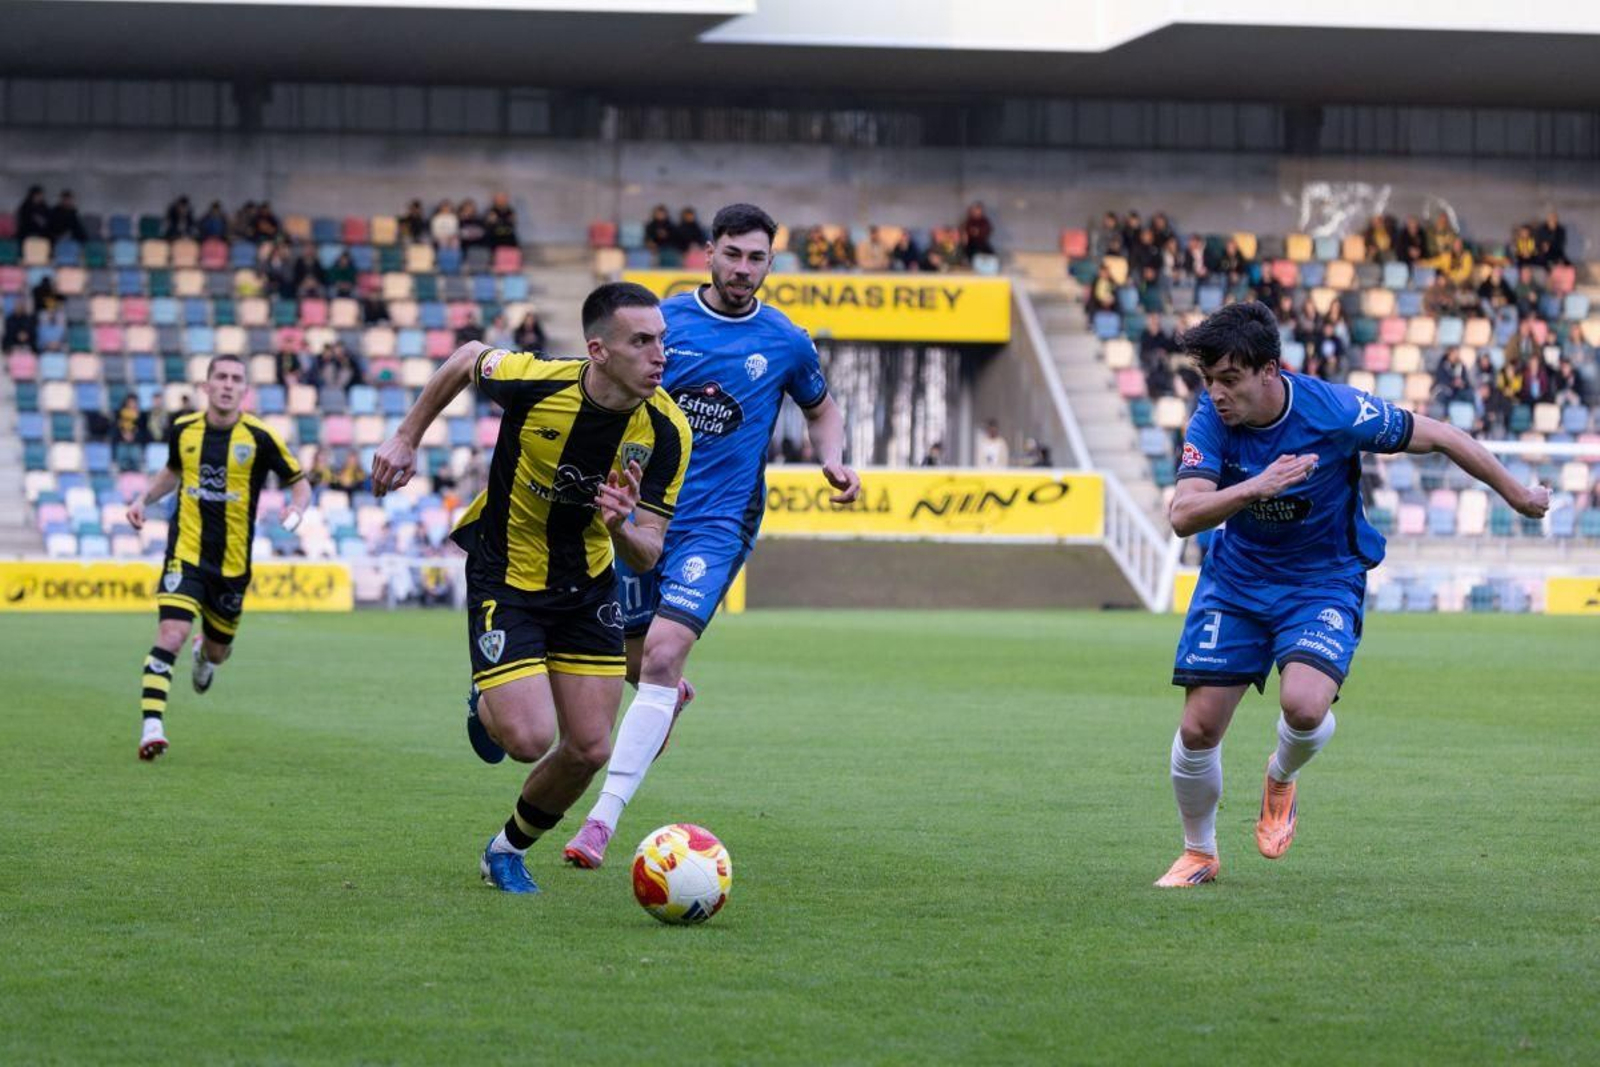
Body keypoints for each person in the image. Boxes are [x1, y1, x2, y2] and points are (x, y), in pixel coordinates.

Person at [1155, 301, 1549, 888]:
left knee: (1305, 706)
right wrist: (1257, 486)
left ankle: (1281, 775)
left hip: (1321, 580)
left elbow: (1440, 435)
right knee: (1198, 729)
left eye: (1229, 379)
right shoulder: (1211, 420)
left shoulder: (1336, 411)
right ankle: (1199, 853)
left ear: (1270, 370)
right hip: (1237, 582)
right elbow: (1183, 515)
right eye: (1209, 379)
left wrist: (1517, 495)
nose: (1216, 393)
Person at [559, 203, 860, 869]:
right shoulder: (662, 324)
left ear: (770, 263)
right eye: (732, 254)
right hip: (642, 513)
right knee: (625, 660)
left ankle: (601, 822)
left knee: (663, 656)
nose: (743, 268)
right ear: (709, 253)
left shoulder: (785, 341)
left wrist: (834, 459)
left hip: (718, 522)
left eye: (756, 257)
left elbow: (822, 408)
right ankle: (668, 697)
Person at [369, 282, 693, 894]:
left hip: (588, 586)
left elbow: (650, 550)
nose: (659, 356)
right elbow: (467, 357)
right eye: (641, 342)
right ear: (598, 350)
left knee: (590, 748)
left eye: (662, 341)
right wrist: (407, 436)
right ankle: (488, 697)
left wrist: (621, 529)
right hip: (507, 574)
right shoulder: (536, 380)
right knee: (528, 739)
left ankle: (506, 850)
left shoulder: (667, 429)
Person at [124, 355, 310, 761]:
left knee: (217, 652)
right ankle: (152, 727)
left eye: (235, 379)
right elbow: (173, 470)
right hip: (185, 553)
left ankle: (203, 656)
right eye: (220, 377)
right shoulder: (183, 430)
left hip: (232, 566)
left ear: (244, 390)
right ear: (206, 386)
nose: (227, 384)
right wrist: (142, 499)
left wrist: (296, 512)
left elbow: (300, 483)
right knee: (170, 634)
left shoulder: (261, 437)